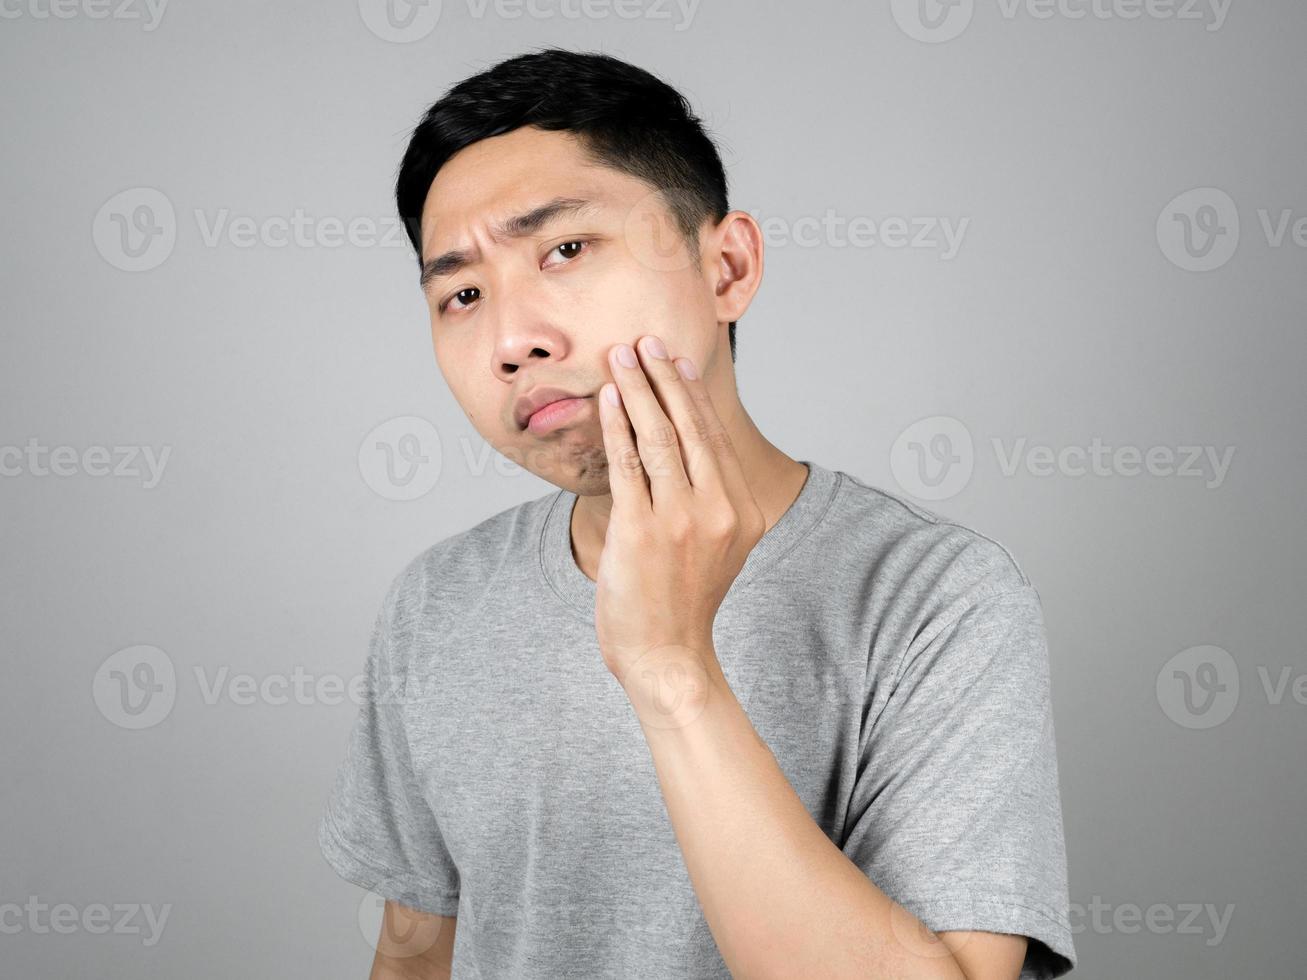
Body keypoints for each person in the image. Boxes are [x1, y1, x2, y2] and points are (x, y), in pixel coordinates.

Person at [318, 47, 1076, 980]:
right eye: (462, 295)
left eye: (564, 250)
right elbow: (413, 944)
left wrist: (670, 666)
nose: (512, 339)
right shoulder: (436, 601)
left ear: (727, 268)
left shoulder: (936, 599)